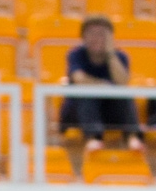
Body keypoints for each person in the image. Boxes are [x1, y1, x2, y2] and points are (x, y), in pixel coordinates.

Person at [61, 16, 142, 151]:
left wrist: (110, 54)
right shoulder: (76, 55)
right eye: (91, 33)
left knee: (124, 95)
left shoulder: (120, 57)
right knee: (86, 94)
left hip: (109, 113)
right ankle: (93, 137)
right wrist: (104, 85)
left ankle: (132, 137)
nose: (96, 38)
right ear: (83, 37)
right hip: (78, 114)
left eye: (102, 34)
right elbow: (79, 79)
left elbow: (122, 82)